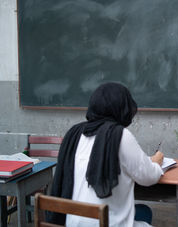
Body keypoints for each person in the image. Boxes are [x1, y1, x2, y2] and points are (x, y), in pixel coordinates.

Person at [47, 82, 164, 227]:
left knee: (143, 212)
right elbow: (148, 177)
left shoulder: (75, 133)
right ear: (123, 108)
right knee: (144, 215)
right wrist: (157, 163)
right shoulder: (119, 135)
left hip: (72, 221)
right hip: (105, 223)